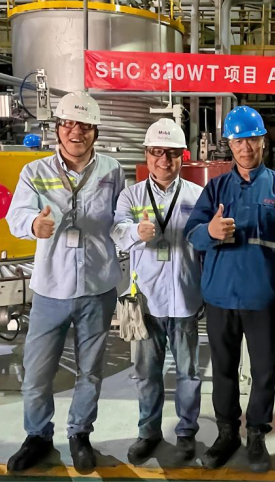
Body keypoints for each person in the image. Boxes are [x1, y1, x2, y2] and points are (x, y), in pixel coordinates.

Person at [5, 91, 125, 474]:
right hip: (51, 288)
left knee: (90, 370)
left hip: (98, 286)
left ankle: (80, 434)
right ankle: (38, 436)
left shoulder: (112, 170)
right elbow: (15, 214)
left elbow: (123, 217)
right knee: (38, 372)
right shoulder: (35, 171)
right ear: (57, 128)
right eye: (69, 124)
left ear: (95, 131)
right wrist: (32, 224)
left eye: (85, 126)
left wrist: (135, 233)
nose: (77, 132)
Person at [183, 106, 275, 473]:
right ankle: (226, 432)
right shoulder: (216, 188)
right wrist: (210, 232)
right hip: (220, 297)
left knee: (264, 370)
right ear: (230, 145)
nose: (246, 148)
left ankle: (256, 433)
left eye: (252, 140)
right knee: (223, 368)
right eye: (238, 141)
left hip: (263, 299)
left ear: (263, 141)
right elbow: (192, 234)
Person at [110, 118, 204, 465]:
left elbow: (205, 243)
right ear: (147, 154)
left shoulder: (197, 195)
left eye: (172, 153)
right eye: (157, 152)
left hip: (184, 297)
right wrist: (136, 232)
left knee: (189, 373)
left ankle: (186, 432)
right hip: (144, 302)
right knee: (146, 373)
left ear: (182, 156)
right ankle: (148, 432)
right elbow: (117, 232)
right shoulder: (131, 195)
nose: (164, 160)